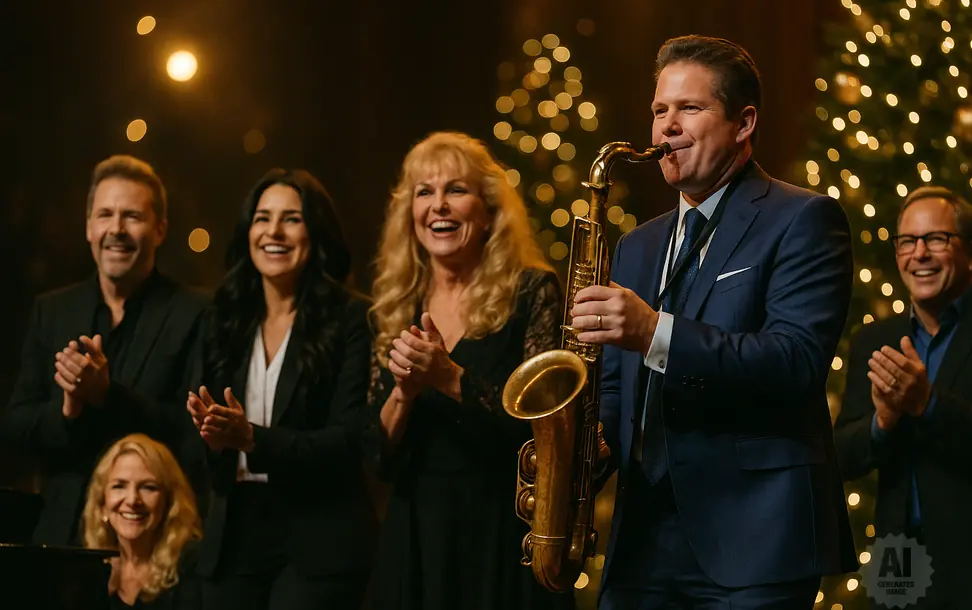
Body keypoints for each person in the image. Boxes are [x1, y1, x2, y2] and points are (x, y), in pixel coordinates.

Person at [570, 35, 858, 608]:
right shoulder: (635, 245)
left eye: (688, 108)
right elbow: (612, 383)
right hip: (642, 542)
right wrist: (592, 443)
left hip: (753, 537)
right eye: (658, 111)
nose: (664, 128)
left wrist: (656, 332)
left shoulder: (804, 218)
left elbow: (795, 362)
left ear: (743, 122)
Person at [364, 131, 574, 610]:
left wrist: (448, 376)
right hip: (415, 533)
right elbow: (375, 457)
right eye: (425, 192)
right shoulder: (394, 306)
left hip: (500, 532)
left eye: (456, 190)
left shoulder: (531, 292)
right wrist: (403, 393)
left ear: (489, 210)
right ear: (409, 214)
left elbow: (541, 436)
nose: (439, 205)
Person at [186, 168, 377, 610]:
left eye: (291, 218)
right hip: (232, 531)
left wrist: (252, 438)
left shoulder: (352, 318)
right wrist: (210, 434)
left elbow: (351, 440)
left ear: (317, 232)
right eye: (262, 217)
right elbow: (195, 433)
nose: (273, 231)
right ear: (247, 230)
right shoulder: (221, 316)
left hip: (320, 535)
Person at [3, 155, 208, 546]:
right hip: (61, 540)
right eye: (105, 215)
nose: (116, 229)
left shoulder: (196, 313)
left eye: (132, 216)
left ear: (160, 229)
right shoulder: (52, 310)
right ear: (88, 227)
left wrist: (107, 397)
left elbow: (193, 437)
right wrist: (69, 409)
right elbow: (16, 427)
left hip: (157, 545)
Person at [835, 187, 972, 608]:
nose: (919, 253)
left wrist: (928, 405)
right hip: (898, 565)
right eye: (907, 241)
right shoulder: (875, 340)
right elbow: (841, 456)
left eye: (937, 239)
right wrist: (883, 422)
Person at [81, 433, 202, 609]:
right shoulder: (88, 574)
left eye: (148, 487)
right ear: (102, 503)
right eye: (119, 486)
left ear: (170, 502)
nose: (132, 500)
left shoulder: (193, 568)